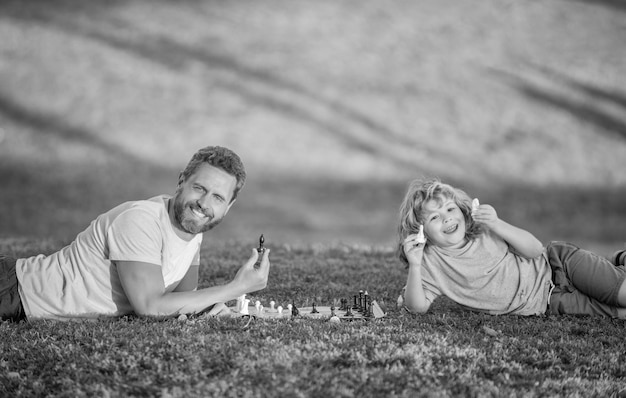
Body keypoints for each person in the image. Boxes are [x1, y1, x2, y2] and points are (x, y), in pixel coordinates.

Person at [0, 146, 270, 321]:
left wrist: (216, 309)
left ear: (229, 206)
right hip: (15, 290)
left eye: (217, 198)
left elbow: (182, 301)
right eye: (199, 188)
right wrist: (235, 288)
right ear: (181, 181)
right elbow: (151, 308)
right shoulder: (141, 221)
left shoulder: (193, 231)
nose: (204, 203)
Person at [397, 178, 626, 317]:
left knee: (622, 295)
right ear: (421, 230)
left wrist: (497, 223)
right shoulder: (431, 264)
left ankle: (618, 262)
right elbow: (417, 308)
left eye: (449, 209)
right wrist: (415, 266)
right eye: (434, 217)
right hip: (548, 302)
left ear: (462, 210)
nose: (447, 218)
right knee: (620, 313)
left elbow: (535, 250)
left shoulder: (484, 229)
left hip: (560, 264)